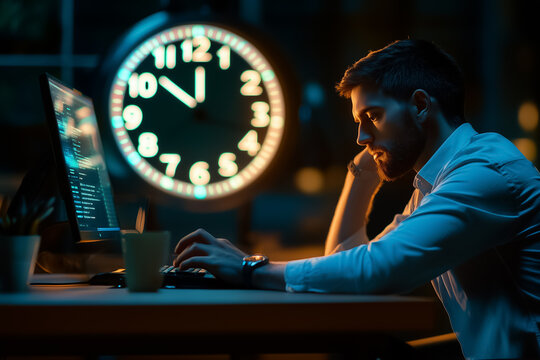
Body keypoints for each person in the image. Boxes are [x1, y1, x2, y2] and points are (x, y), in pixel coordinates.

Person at [173, 39, 540, 359]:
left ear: (420, 106)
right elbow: (348, 259)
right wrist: (364, 171)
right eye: (358, 121)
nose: (362, 136)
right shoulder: (438, 184)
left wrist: (250, 269)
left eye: (373, 116)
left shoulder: (484, 173)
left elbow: (380, 269)